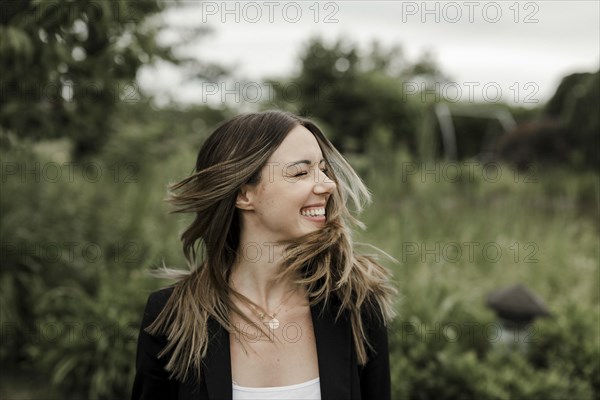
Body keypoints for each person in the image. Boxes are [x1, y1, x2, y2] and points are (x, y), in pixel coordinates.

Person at [132, 110, 397, 400]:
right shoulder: (171, 316)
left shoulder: (356, 304)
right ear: (244, 195)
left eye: (323, 169)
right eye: (300, 172)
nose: (328, 184)